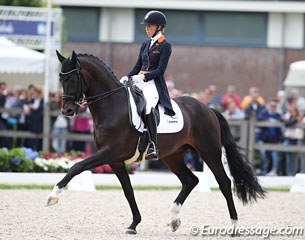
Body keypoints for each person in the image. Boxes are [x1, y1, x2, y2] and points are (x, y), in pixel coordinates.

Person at [119, 10, 175, 160]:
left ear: (159, 27)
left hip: (153, 83)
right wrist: (128, 76)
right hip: (138, 80)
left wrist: (144, 77)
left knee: (149, 106)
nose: (146, 29)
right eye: (146, 26)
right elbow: (138, 65)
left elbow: (160, 70)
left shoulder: (165, 45)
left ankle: (153, 144)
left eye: (149, 26)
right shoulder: (145, 44)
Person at [257, 99, 283, 176]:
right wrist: (269, 120)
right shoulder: (264, 113)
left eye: (274, 106)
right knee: (262, 153)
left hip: (274, 139)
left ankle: (274, 171)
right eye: (272, 106)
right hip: (264, 139)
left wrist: (276, 121)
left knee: (275, 154)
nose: (273, 107)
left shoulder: (278, 115)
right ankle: (263, 171)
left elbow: (282, 121)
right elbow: (259, 118)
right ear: (268, 106)